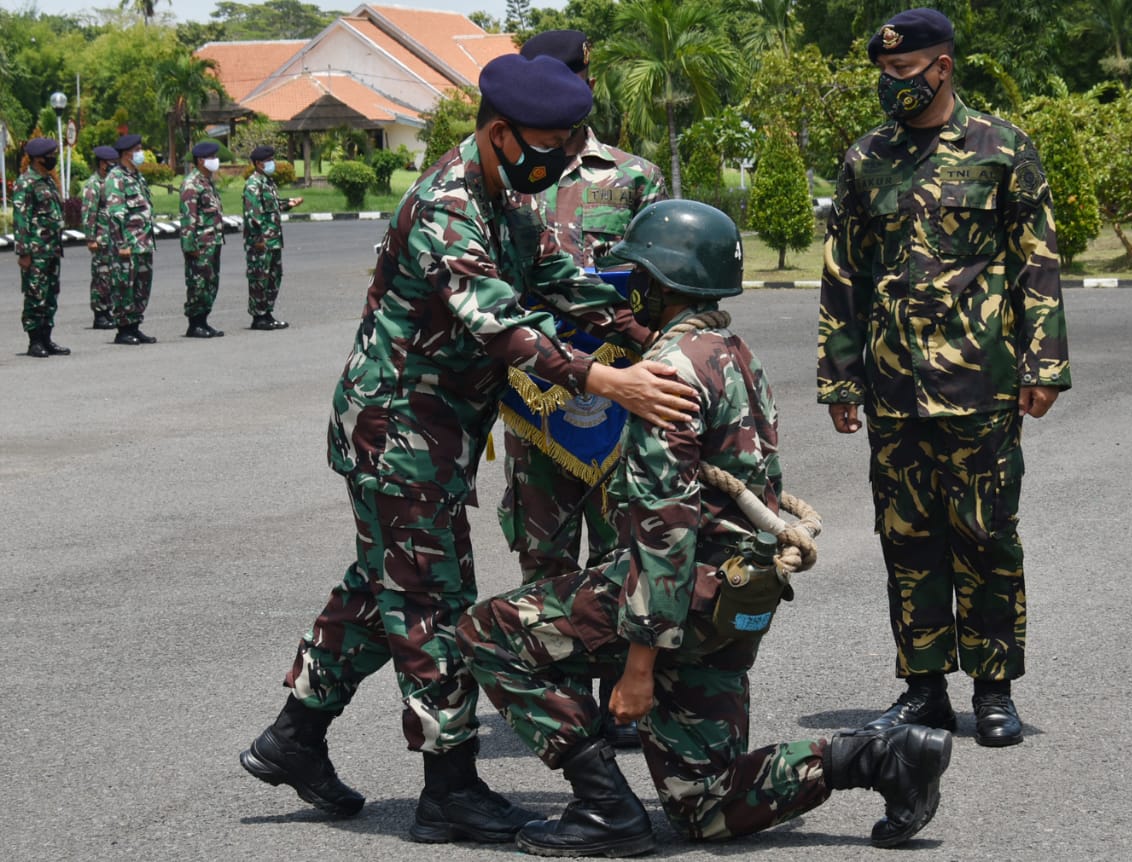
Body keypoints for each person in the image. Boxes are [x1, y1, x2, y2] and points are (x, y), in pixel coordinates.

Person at [238, 53, 699, 844]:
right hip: (399, 432)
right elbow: (502, 324)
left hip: (437, 431)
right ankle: (448, 787)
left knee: (379, 586)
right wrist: (608, 381)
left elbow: (559, 281)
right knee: (427, 602)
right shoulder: (448, 206)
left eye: (572, 143)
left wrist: (650, 331)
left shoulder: (507, 196)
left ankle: (293, 736)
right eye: (552, 144)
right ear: (498, 132)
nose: (560, 161)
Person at [457, 199, 952, 858]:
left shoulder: (664, 374)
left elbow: (665, 533)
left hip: (678, 599)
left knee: (485, 635)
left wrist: (636, 670)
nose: (628, 289)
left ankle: (605, 808)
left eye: (639, 277)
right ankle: (877, 758)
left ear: (663, 285)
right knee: (705, 805)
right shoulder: (730, 350)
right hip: (731, 600)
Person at [817, 8, 1071, 748]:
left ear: (942, 67)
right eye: (884, 74)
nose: (891, 85)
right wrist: (839, 378)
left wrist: (1045, 363)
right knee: (907, 539)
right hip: (894, 387)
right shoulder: (866, 158)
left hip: (980, 381)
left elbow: (1038, 262)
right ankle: (923, 688)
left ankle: (994, 690)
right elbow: (844, 275)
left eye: (903, 72)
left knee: (987, 536)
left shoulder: (1003, 149)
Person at [499, 28, 668, 749]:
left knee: (622, 545)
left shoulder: (631, 177)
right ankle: (560, 696)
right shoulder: (504, 175)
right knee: (543, 550)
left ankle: (618, 693)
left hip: (618, 396)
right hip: (532, 396)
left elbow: (662, 284)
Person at [13, 137, 70, 358]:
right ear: (38, 158)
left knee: (50, 294)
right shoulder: (26, 182)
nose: (53, 159)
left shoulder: (47, 181)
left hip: (52, 249)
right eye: (50, 155)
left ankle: (47, 337)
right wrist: (24, 252)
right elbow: (21, 219)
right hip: (35, 251)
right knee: (35, 294)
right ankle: (34, 341)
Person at [104, 133, 157, 345]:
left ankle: (135, 326)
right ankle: (123, 329)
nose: (140, 153)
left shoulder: (137, 177)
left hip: (143, 243)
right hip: (127, 245)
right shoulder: (115, 178)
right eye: (137, 150)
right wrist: (122, 244)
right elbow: (116, 214)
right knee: (124, 286)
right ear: (126, 154)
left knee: (141, 287)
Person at [242, 145, 301, 331]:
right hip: (261, 242)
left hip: (273, 240)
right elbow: (253, 215)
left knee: (273, 277)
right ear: (259, 163)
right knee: (259, 277)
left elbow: (272, 207)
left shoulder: (267, 182)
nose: (272, 163)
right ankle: (258, 316)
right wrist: (259, 239)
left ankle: (267, 313)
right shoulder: (253, 185)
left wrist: (289, 204)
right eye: (269, 161)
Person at [179, 141, 226, 338]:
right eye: (212, 157)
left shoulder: (206, 182)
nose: (216, 161)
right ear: (200, 161)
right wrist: (190, 245)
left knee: (210, 282)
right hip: (200, 243)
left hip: (212, 241)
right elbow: (188, 217)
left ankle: (204, 321)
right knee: (198, 284)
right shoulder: (192, 184)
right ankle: (195, 324)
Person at [81, 145, 119, 330]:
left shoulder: (112, 183)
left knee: (111, 276)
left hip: (113, 239)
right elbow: (89, 213)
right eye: (111, 163)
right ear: (103, 163)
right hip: (101, 238)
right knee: (101, 277)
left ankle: (108, 310)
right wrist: (90, 238)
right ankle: (100, 314)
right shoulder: (94, 184)